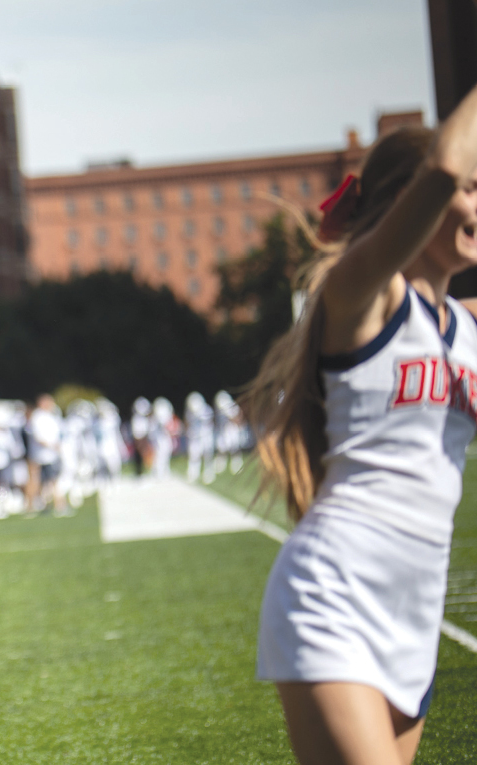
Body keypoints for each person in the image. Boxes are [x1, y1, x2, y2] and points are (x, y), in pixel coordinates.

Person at [242, 91, 477, 765]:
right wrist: (445, 173)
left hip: (416, 609)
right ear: (417, 204)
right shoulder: (364, 295)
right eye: (469, 190)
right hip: (334, 594)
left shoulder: (464, 327)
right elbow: (441, 166)